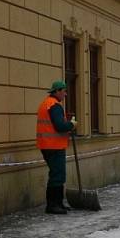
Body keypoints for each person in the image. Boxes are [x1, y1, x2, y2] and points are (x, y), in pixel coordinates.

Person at [37, 80, 76, 214]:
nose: (65, 94)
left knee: (57, 174)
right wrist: (71, 125)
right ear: (57, 91)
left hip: (47, 145)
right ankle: (53, 205)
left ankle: (58, 203)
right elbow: (59, 126)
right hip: (54, 146)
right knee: (57, 175)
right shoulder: (54, 106)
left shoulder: (46, 103)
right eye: (64, 91)